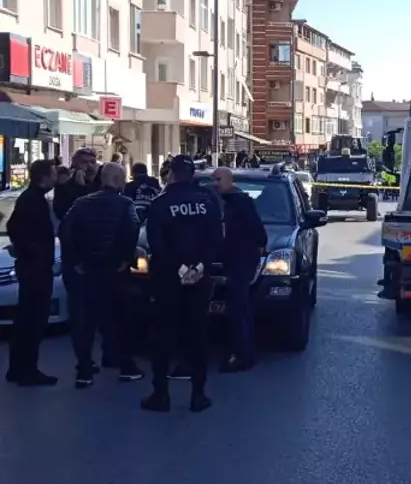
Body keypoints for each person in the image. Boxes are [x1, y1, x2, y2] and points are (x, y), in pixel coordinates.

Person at [141, 155, 223, 413]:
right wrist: (198, 267)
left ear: (172, 175)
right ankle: (198, 394)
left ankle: (161, 394)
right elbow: (215, 239)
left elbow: (156, 244)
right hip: (199, 279)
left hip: (168, 279)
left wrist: (178, 269)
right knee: (198, 334)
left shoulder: (160, 204)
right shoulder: (208, 202)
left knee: (163, 336)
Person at [58, 163, 143, 388]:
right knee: (118, 319)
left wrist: (76, 261)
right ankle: (126, 366)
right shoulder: (125, 204)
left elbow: (65, 231)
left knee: (84, 321)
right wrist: (124, 259)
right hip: (113, 271)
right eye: (123, 179)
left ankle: (84, 370)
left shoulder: (81, 203)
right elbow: (132, 230)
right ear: (116, 179)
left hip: (87, 271)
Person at [5, 159, 59, 386]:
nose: (56, 178)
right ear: (44, 176)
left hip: (31, 267)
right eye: (54, 174)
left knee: (26, 320)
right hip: (35, 270)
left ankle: (18, 368)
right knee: (33, 321)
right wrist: (32, 251)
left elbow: (13, 227)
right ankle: (27, 370)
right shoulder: (33, 200)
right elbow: (18, 229)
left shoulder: (30, 198)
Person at [211, 167, 267, 372]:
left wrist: (260, 246)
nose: (216, 183)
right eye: (213, 180)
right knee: (241, 308)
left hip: (242, 261)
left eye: (218, 179)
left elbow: (257, 229)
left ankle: (241, 356)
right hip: (232, 261)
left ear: (229, 180)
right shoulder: (227, 201)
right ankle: (245, 353)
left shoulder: (239, 201)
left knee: (236, 308)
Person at [53, 148, 100, 220]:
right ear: (75, 164)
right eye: (84, 162)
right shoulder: (65, 185)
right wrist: (80, 187)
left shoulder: (100, 183)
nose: (90, 166)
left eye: (92, 162)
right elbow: (61, 213)